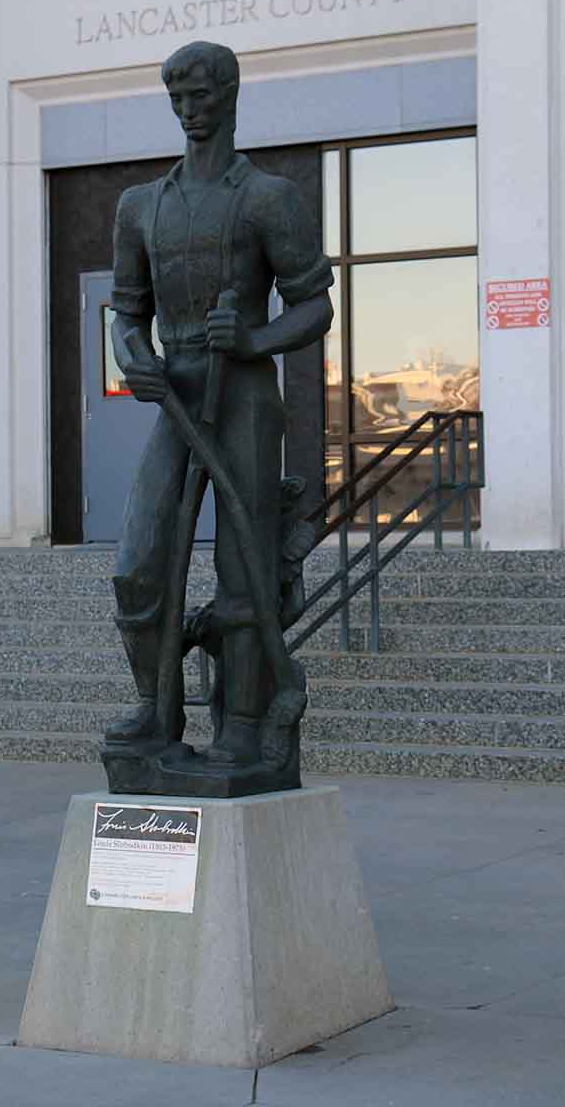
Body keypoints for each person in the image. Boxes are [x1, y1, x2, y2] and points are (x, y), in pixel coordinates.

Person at [106, 40, 333, 768]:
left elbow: (315, 307)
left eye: (200, 97)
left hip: (243, 399)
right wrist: (134, 358)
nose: (188, 111)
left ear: (230, 96)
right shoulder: (140, 206)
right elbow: (126, 313)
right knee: (138, 562)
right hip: (177, 396)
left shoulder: (268, 197)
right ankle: (156, 710)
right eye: (177, 99)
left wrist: (254, 338)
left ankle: (242, 726)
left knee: (245, 566)